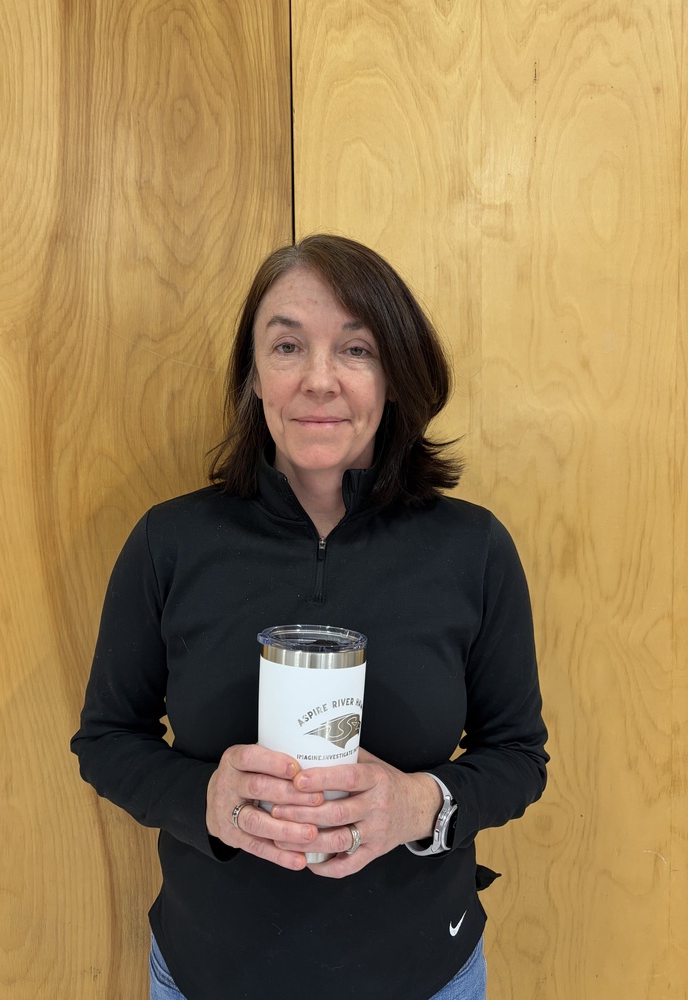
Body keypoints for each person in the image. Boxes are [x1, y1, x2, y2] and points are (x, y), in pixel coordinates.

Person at [71, 234, 548, 1000]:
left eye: (356, 349)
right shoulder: (171, 541)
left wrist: (421, 804)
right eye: (288, 345)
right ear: (254, 377)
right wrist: (208, 803)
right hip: (209, 973)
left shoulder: (473, 548)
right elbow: (104, 740)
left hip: (426, 974)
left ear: (395, 376)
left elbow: (520, 755)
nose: (319, 380)